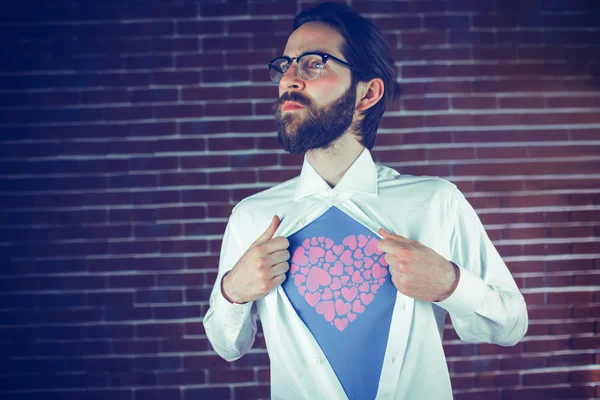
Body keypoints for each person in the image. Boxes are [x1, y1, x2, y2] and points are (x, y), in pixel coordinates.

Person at [203, 3, 528, 399]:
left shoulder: (434, 201)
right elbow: (227, 345)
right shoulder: (252, 218)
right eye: (285, 64)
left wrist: (450, 284)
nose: (289, 78)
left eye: (313, 64)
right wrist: (233, 290)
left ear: (367, 93)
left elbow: (510, 326)